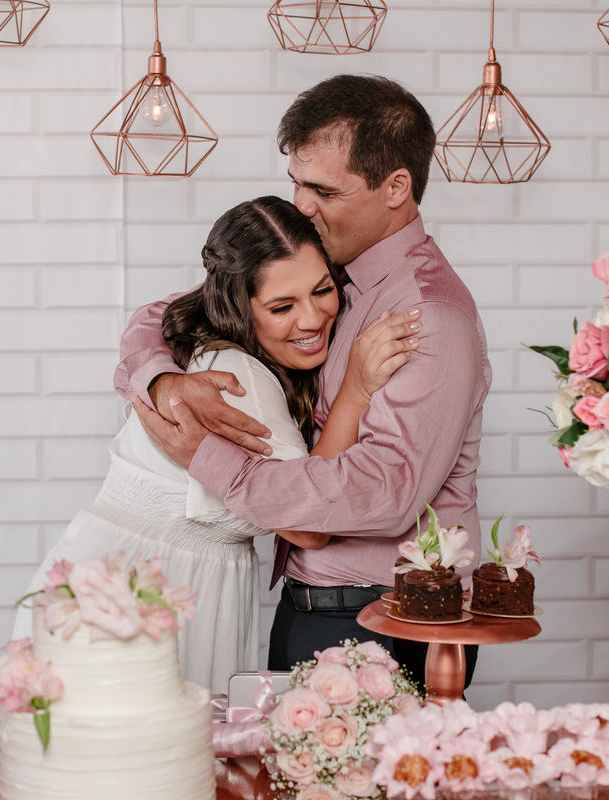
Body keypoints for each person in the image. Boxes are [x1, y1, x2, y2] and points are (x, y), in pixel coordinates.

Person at [121, 74, 491, 689]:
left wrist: (208, 458)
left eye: (322, 190)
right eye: (296, 182)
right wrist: (162, 382)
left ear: (396, 187)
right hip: (317, 610)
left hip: (382, 620)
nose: (302, 205)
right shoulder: (326, 268)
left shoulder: (426, 315)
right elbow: (165, 316)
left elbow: (385, 491)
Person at [13, 196, 417, 694]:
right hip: (145, 592)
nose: (312, 318)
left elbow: (154, 314)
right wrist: (355, 389)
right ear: (238, 307)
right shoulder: (239, 379)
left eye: (323, 290)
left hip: (123, 568)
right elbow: (309, 527)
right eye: (283, 307)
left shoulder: (208, 343)